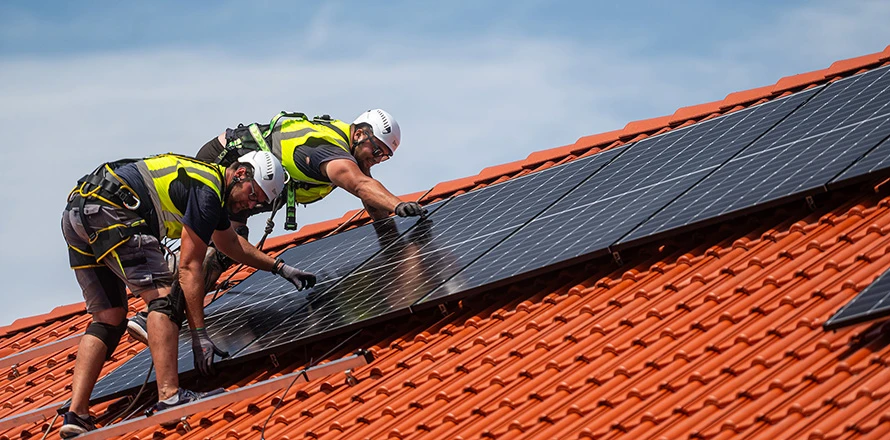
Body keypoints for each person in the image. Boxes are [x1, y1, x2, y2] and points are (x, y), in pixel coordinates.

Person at [59, 152, 316, 437]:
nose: (250, 203)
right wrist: (200, 335)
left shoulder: (209, 185)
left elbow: (230, 243)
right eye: (252, 193)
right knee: (163, 299)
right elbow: (190, 267)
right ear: (241, 173)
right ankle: (169, 396)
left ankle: (77, 413)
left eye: (258, 203)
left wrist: (279, 267)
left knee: (109, 317)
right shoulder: (207, 191)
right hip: (113, 211)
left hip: (78, 214)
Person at [126, 109, 427, 343]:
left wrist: (393, 244)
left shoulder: (348, 149)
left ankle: (166, 302)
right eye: (377, 151)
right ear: (360, 134)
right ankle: (159, 315)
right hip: (231, 169)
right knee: (225, 244)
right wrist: (398, 205)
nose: (378, 159)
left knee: (228, 244)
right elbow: (360, 184)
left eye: (385, 156)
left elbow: (368, 191)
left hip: (253, 181)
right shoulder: (328, 151)